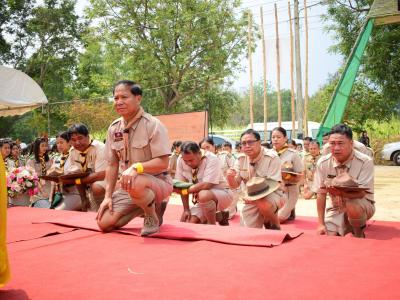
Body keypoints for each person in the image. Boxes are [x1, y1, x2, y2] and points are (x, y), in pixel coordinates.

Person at [96, 80, 173, 236]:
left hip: (157, 182)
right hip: (130, 186)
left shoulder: (153, 124)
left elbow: (163, 163)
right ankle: (148, 206)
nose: (119, 102)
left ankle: (151, 215)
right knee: (104, 224)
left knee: (135, 180)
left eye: (124, 97)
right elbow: (112, 164)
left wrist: (136, 167)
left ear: (138, 98)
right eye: (116, 98)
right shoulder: (114, 128)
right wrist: (107, 197)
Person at [311, 124, 374, 238]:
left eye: (340, 143)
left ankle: (358, 233)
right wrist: (321, 224)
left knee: (352, 204)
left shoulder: (365, 162)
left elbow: (361, 193)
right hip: (336, 208)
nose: (336, 148)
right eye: (332, 143)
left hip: (362, 206)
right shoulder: (323, 163)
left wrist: (339, 192)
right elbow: (321, 193)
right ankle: (341, 227)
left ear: (351, 143)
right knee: (328, 237)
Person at [226, 129, 283, 229]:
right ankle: (266, 219)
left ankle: (274, 224)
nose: (247, 146)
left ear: (259, 142)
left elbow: (273, 185)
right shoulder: (240, 159)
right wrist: (230, 177)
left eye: (250, 142)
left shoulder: (272, 157)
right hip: (250, 197)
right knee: (247, 233)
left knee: (263, 204)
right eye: (243, 143)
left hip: (272, 194)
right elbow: (234, 185)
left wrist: (253, 200)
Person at [175, 141, 233, 225]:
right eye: (185, 161)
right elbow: (181, 185)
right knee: (187, 224)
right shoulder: (181, 159)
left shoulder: (212, 159)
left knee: (203, 194)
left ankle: (211, 226)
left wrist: (184, 191)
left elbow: (206, 185)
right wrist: (186, 209)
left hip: (223, 194)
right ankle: (220, 216)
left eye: (191, 160)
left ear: (199, 153)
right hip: (201, 200)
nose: (188, 163)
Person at [59, 124, 107, 211]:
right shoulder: (73, 151)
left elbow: (101, 175)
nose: (77, 142)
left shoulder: (100, 148)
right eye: (73, 140)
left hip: (107, 184)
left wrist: (75, 180)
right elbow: (77, 175)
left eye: (80, 138)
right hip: (87, 188)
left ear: (88, 136)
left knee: (96, 187)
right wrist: (83, 197)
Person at [271, 127, 304, 222]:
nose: (275, 139)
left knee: (278, 219)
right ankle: (289, 211)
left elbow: (300, 175)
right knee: (266, 217)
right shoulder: (269, 154)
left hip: (289, 190)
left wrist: (287, 177)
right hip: (273, 190)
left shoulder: (293, 154)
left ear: (285, 138)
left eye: (278, 137)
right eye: (273, 137)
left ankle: (289, 210)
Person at [51, 131, 82, 211]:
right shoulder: (57, 158)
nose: (59, 145)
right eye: (57, 143)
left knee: (57, 212)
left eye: (61, 142)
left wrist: (63, 174)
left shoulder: (75, 155)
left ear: (69, 142)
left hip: (76, 193)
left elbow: (79, 175)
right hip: (61, 194)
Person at [26, 138, 53, 206]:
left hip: (49, 187)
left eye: (46, 146)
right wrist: (40, 187)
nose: (45, 148)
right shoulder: (31, 160)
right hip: (38, 188)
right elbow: (32, 176)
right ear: (37, 147)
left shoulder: (49, 159)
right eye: (42, 146)